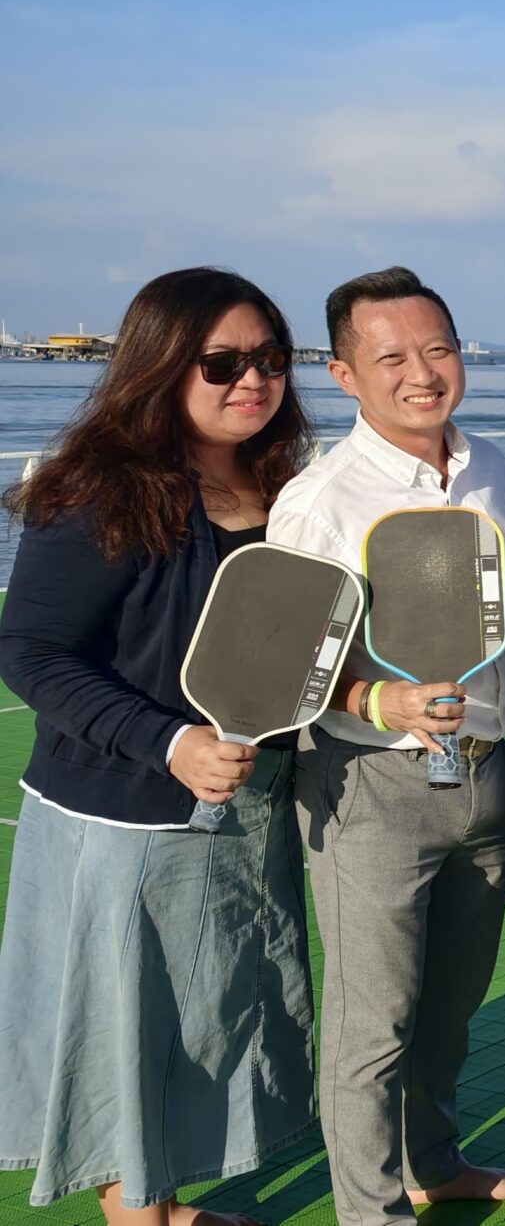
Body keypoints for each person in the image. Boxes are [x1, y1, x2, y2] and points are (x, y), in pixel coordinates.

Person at [0, 267, 316, 1225]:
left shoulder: (287, 485)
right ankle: (137, 1211)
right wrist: (167, 740)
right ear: (161, 365)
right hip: (128, 809)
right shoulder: (99, 489)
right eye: (222, 362)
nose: (252, 379)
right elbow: (31, 651)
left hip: (250, 800)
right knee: (127, 1023)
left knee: (207, 1008)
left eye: (271, 358)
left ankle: (163, 1200)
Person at [264, 267, 505, 1223]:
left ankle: (435, 1160)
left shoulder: (495, 467)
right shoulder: (319, 500)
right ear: (344, 374)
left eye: (438, 349)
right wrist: (377, 698)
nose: (422, 373)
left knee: (451, 1005)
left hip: (488, 772)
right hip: (369, 781)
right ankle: (370, 1212)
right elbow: (285, 665)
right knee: (371, 1022)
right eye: (392, 357)